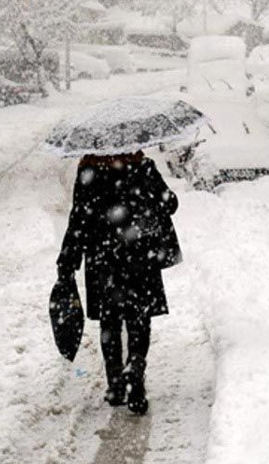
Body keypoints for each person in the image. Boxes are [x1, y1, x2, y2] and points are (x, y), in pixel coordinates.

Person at [56, 150, 181, 415]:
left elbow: (78, 217)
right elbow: (170, 204)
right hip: (139, 253)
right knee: (139, 317)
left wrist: (67, 261)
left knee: (110, 320)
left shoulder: (88, 170)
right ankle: (136, 363)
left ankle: (115, 384)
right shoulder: (143, 166)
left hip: (103, 258)